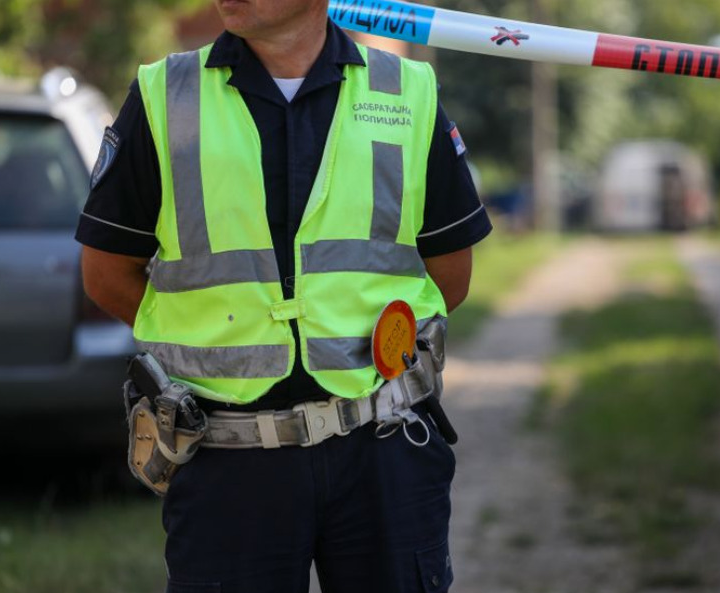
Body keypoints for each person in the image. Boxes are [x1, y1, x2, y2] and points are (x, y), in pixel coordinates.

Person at [75, 1, 492, 591]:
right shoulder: (165, 95)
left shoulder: (406, 92)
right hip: (228, 459)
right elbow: (106, 274)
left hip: (384, 449)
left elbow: (450, 271)